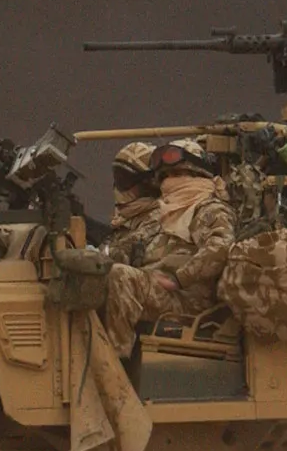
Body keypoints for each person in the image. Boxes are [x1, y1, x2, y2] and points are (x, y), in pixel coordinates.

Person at [100, 139, 238, 352]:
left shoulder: (208, 209)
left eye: (177, 175)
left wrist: (179, 278)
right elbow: (137, 244)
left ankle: (116, 363)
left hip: (188, 300)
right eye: (165, 176)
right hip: (164, 291)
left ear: (196, 175)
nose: (169, 182)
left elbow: (220, 248)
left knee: (120, 277)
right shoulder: (169, 211)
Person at [102, 142, 160, 267]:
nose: (118, 187)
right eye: (117, 178)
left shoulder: (160, 217)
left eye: (124, 179)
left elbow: (122, 254)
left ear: (148, 185)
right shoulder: (126, 219)